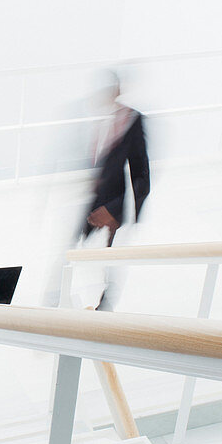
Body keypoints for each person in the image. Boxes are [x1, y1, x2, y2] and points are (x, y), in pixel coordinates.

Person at [76, 71, 150, 310]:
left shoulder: (133, 121)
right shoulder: (101, 119)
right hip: (92, 203)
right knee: (75, 255)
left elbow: (142, 178)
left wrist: (114, 211)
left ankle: (103, 310)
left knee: (109, 264)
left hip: (114, 209)